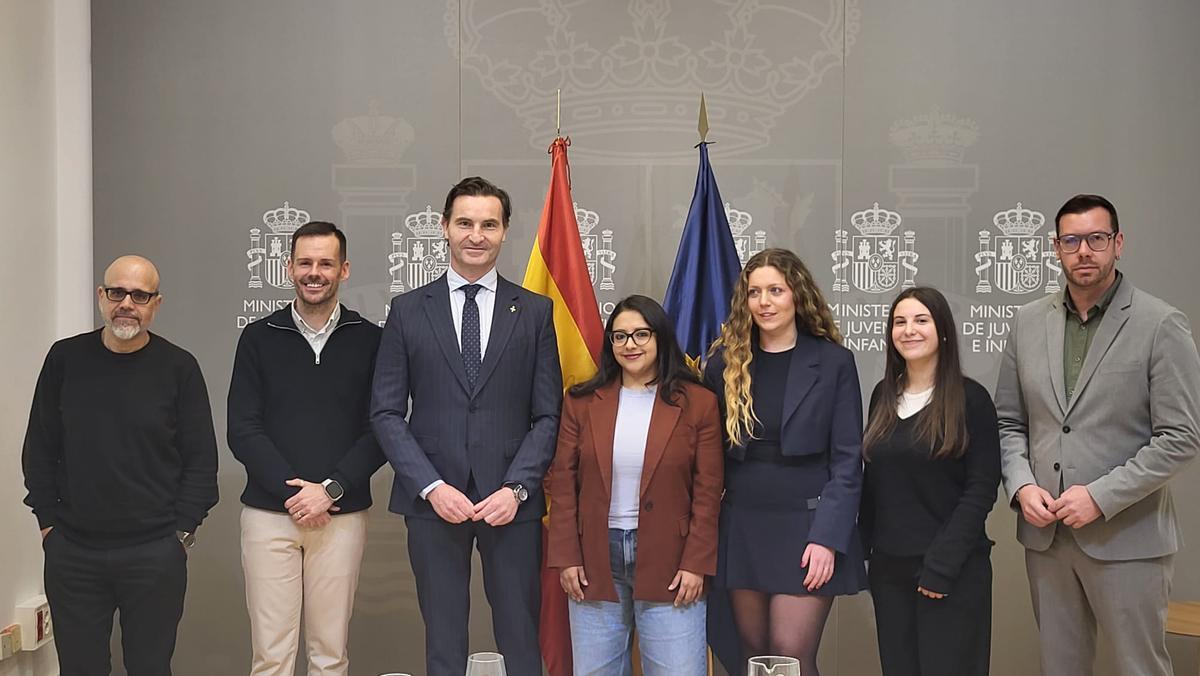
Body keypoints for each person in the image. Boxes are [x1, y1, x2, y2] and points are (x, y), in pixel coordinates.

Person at [996, 194, 1200, 676]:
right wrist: (1021, 486)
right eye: (1071, 241)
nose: (1083, 251)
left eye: (1096, 238)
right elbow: (1009, 422)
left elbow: (1180, 436)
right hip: (1048, 539)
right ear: (1056, 248)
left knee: (1140, 668)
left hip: (1128, 538)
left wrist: (1100, 497)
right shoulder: (1027, 322)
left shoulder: (1160, 323)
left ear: (1118, 243)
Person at [370, 176, 563, 676]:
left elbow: (548, 414)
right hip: (434, 503)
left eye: (489, 225)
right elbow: (386, 412)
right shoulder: (408, 310)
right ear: (444, 228)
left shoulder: (535, 311)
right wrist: (431, 487)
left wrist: (516, 489)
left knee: (521, 637)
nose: (476, 235)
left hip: (510, 505)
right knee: (443, 639)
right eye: (465, 223)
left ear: (504, 231)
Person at [21, 255, 219, 675]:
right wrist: (49, 525)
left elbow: (201, 461)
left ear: (156, 304)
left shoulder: (179, 368)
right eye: (117, 292)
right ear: (101, 296)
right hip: (73, 552)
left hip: (154, 552)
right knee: (81, 668)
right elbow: (39, 448)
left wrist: (179, 535)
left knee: (150, 667)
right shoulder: (65, 359)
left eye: (140, 295)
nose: (127, 303)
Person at [228, 221, 385, 676]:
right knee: (271, 656)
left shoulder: (371, 339)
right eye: (305, 263)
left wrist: (330, 489)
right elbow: (243, 429)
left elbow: (381, 429)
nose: (314, 273)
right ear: (289, 268)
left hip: (341, 514)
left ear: (344, 270)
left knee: (330, 654)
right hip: (269, 515)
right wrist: (295, 496)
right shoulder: (258, 337)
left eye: (325, 264)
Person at [703, 248, 866, 675]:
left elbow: (847, 461)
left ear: (797, 294)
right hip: (742, 526)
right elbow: (706, 455)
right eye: (755, 292)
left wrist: (828, 538)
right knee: (752, 654)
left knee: (788, 654)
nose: (765, 302)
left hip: (807, 529)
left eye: (775, 290)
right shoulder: (723, 363)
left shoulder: (833, 362)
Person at [547, 295, 724, 675]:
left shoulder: (699, 403)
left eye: (641, 334)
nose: (630, 344)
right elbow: (562, 483)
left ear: (660, 337)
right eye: (620, 336)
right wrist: (566, 556)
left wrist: (696, 564)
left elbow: (708, 493)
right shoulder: (580, 402)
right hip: (594, 560)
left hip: (673, 561)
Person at [860, 287, 1000, 676]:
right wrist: (860, 551)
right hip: (890, 573)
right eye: (899, 322)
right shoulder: (883, 397)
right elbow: (873, 484)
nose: (909, 330)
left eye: (921, 320)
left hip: (951, 571)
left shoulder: (971, 399)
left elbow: (981, 488)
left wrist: (942, 565)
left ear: (943, 331)